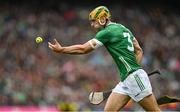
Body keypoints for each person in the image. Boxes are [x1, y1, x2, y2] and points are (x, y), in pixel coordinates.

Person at [48, 6, 161, 111]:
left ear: (102, 19)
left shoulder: (107, 32)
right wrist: (133, 70)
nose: (92, 25)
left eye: (94, 21)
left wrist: (62, 50)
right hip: (127, 80)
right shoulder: (123, 28)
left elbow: (83, 49)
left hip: (134, 78)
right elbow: (139, 50)